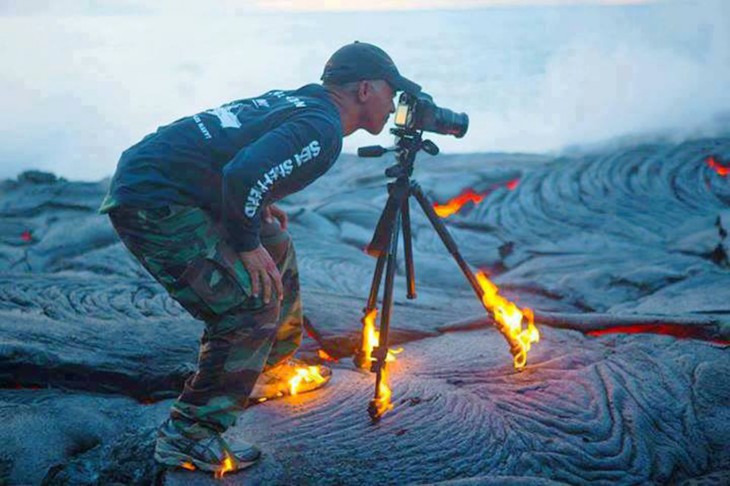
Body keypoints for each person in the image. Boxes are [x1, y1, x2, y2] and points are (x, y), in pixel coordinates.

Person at [100, 41, 421, 474]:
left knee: (276, 242)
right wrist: (245, 242)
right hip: (154, 201)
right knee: (248, 305)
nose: (395, 101)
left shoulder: (303, 100)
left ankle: (266, 367)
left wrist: (254, 207)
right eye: (391, 90)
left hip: (167, 180)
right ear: (365, 89)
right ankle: (189, 435)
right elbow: (242, 173)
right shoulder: (322, 128)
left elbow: (236, 154)